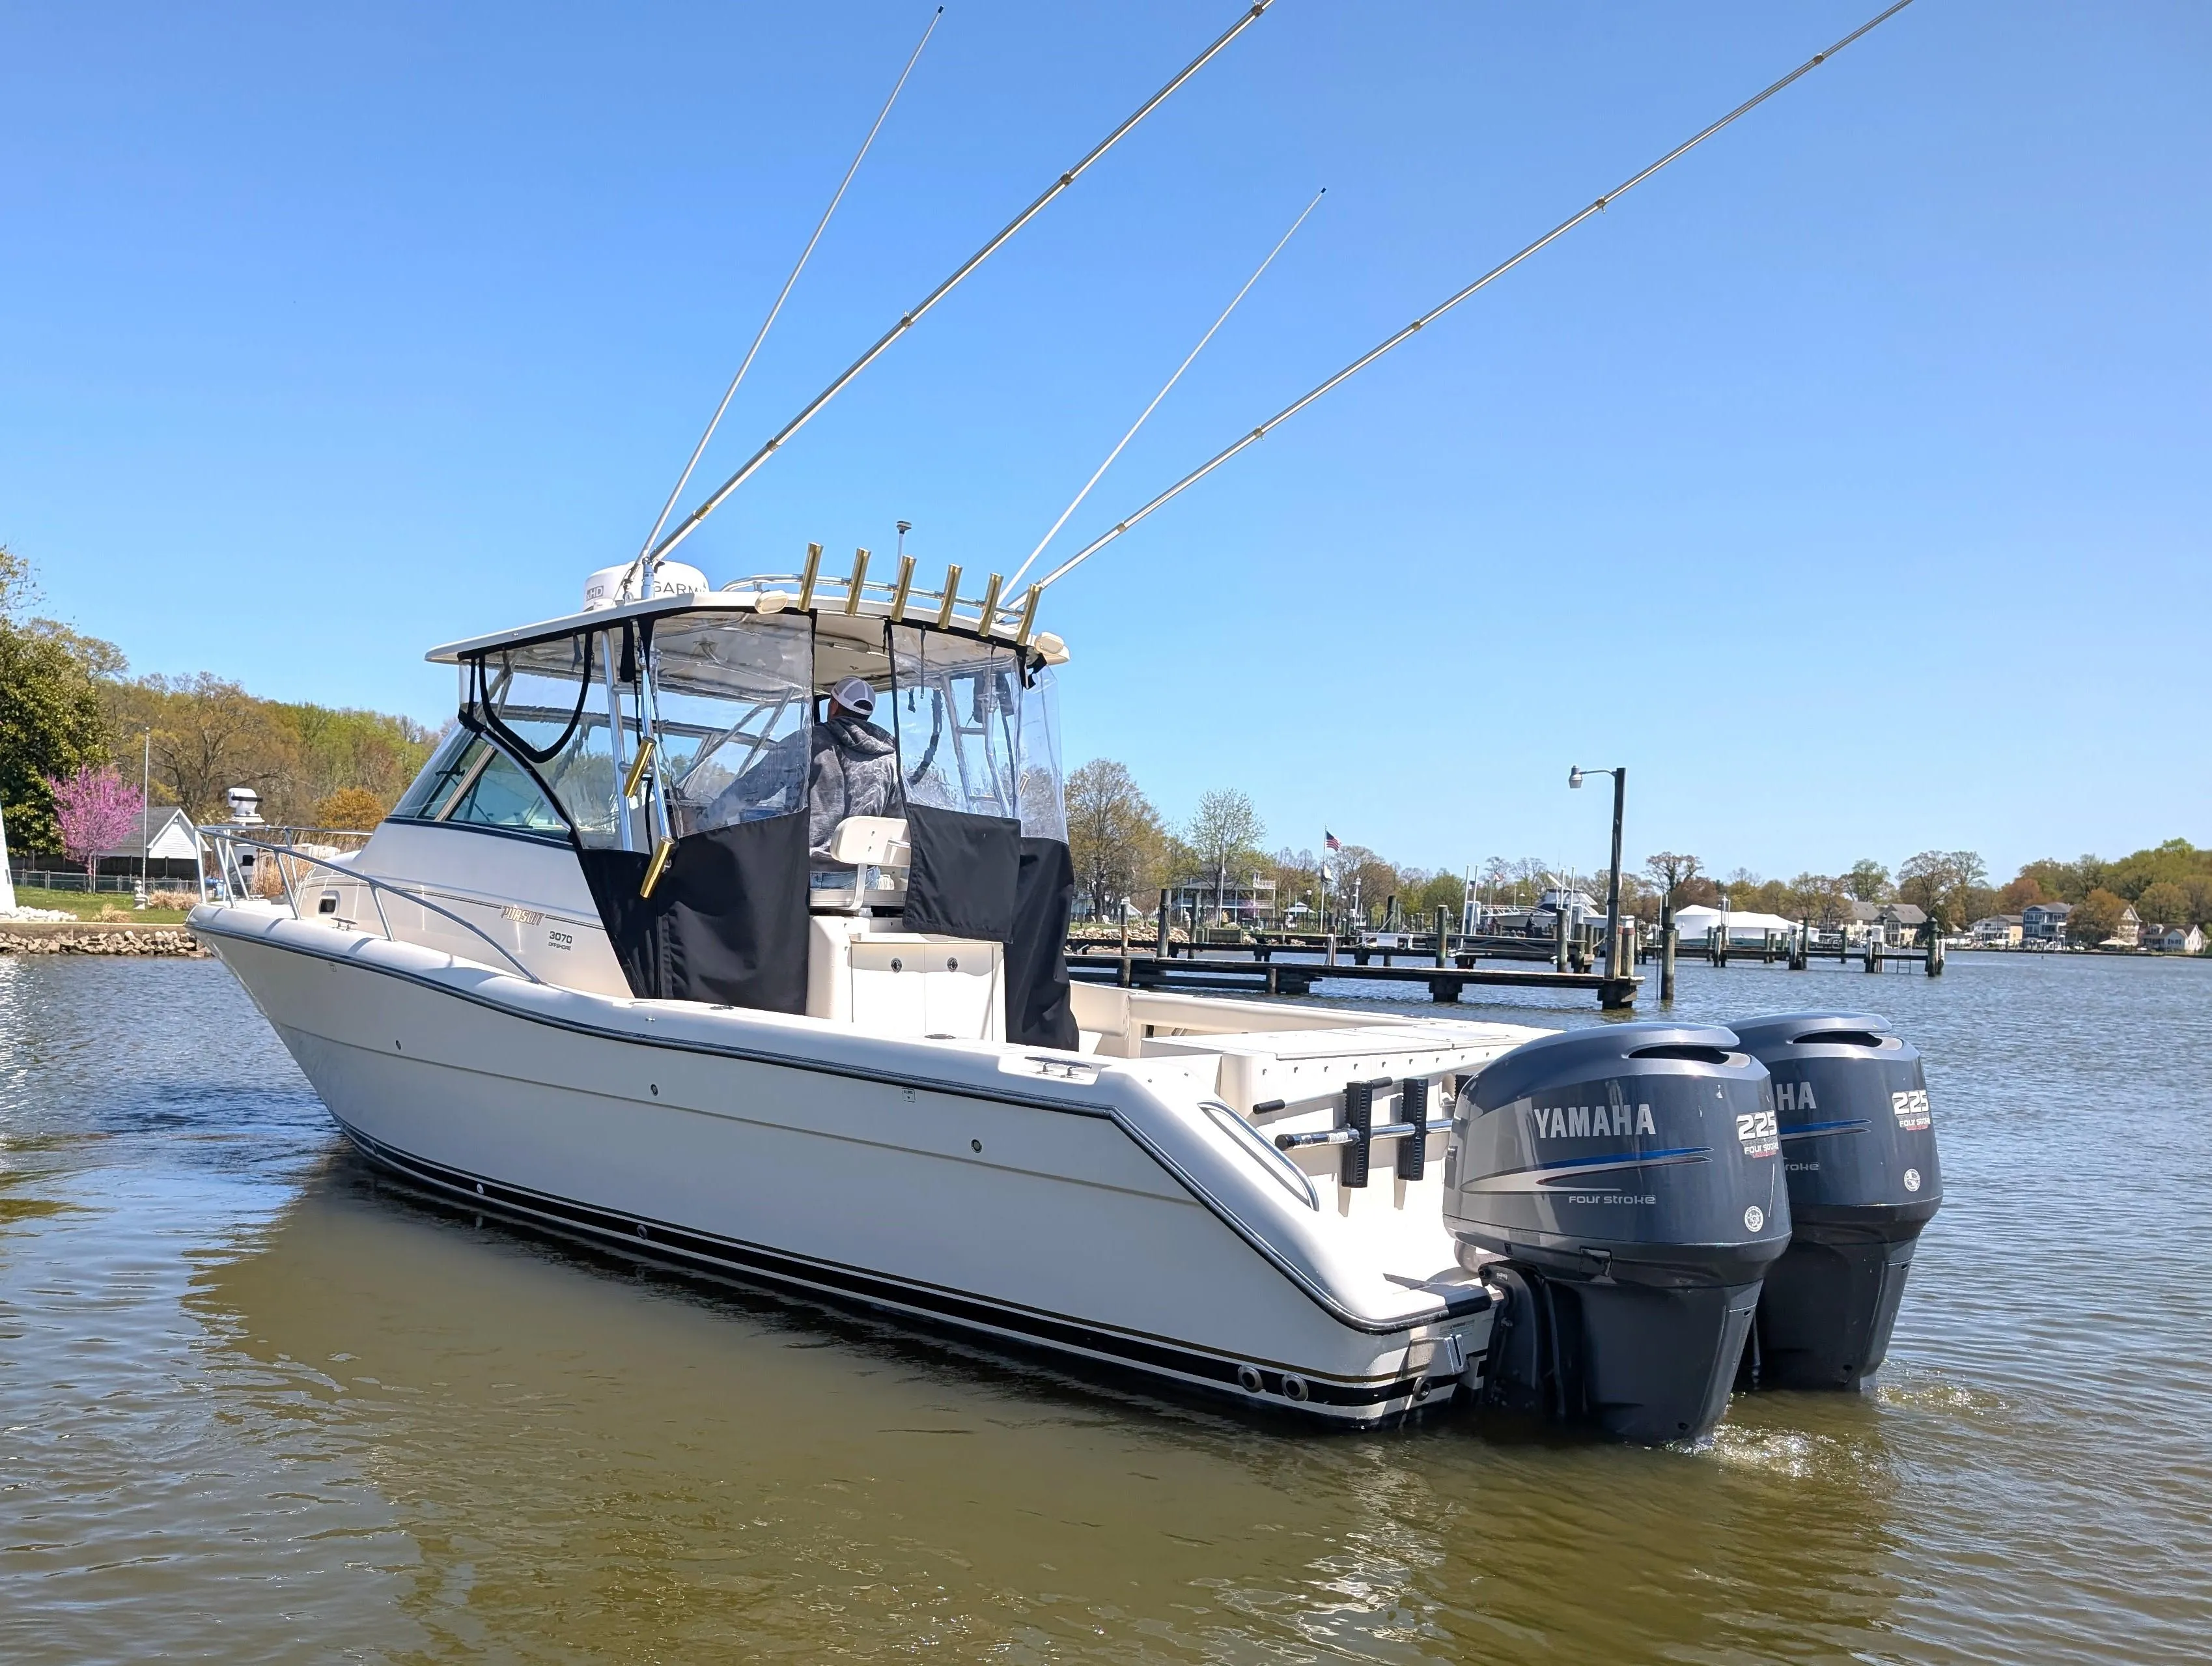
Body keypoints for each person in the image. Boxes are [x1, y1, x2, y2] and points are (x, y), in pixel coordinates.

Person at [704, 676, 900, 858]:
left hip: (806, 873)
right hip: (863, 877)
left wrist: (704, 822)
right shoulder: (890, 758)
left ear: (833, 706)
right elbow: (895, 818)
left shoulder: (805, 742)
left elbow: (749, 790)